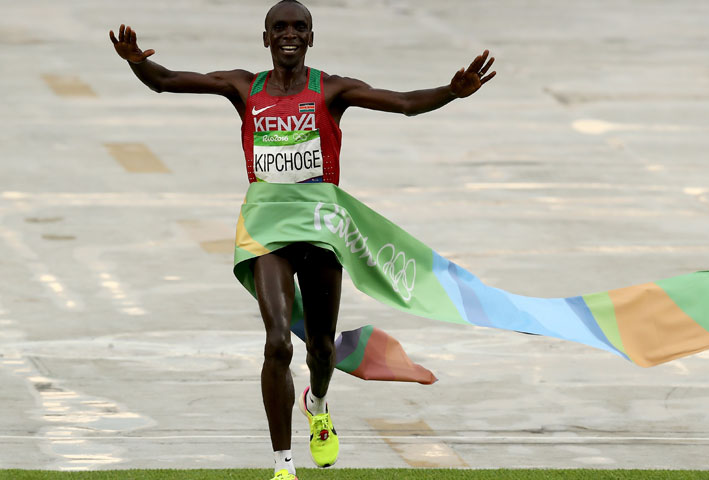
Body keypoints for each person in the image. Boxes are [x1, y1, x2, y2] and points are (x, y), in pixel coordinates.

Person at [110, 1, 495, 479]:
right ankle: (283, 466)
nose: (289, 34)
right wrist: (137, 63)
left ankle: (319, 401)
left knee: (320, 348)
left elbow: (402, 103)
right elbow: (167, 81)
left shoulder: (331, 89)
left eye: (299, 27)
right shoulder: (243, 86)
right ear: (265, 37)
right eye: (279, 27)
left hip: (320, 226)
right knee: (277, 342)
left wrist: (451, 92)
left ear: (311, 38)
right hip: (266, 226)